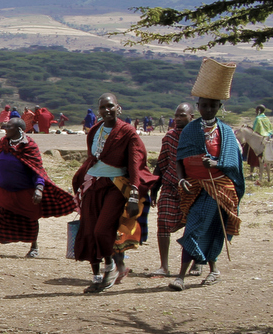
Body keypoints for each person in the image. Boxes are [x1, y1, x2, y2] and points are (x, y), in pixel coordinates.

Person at [168, 60, 244, 291]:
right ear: (198, 105)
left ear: (219, 107)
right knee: (208, 227)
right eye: (204, 105)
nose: (208, 109)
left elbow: (233, 161)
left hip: (217, 185)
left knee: (196, 225)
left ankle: (180, 276)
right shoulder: (190, 129)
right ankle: (213, 269)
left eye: (213, 106)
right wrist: (181, 179)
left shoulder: (226, 131)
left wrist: (216, 162)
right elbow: (180, 158)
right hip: (192, 186)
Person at [72, 93, 157, 293]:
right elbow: (91, 158)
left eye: (110, 106)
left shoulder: (128, 132)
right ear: (99, 110)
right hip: (92, 184)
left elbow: (135, 162)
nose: (107, 110)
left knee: (102, 230)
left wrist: (134, 193)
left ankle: (109, 265)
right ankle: (95, 276)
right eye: (103, 107)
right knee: (89, 229)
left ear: (118, 108)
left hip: (115, 186)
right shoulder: (94, 131)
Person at [0, 117, 77, 257]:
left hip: (24, 190)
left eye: (9, 127)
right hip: (2, 188)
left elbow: (37, 170)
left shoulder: (29, 146)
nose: (5, 129)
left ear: (18, 130)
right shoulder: (3, 143)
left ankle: (34, 248)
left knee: (30, 217)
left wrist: (39, 188)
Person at [151, 102, 196, 277]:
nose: (177, 119)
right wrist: (154, 187)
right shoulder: (169, 137)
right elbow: (162, 162)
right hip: (170, 185)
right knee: (162, 221)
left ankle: (195, 262)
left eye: (182, 115)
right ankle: (164, 266)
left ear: (191, 117)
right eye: (176, 115)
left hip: (193, 188)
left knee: (193, 226)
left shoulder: (198, 137)